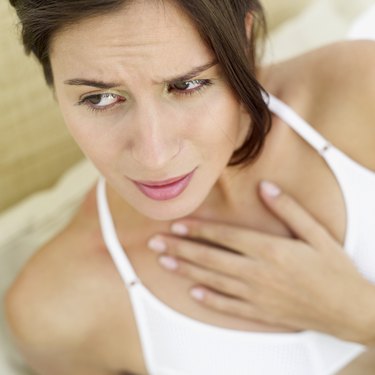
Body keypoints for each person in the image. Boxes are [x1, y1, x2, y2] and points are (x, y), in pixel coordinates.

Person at [4, 0, 375, 374]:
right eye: (99, 98)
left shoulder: (362, 92)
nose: (154, 156)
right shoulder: (57, 310)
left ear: (243, 43)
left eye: (187, 85)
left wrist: (359, 313)